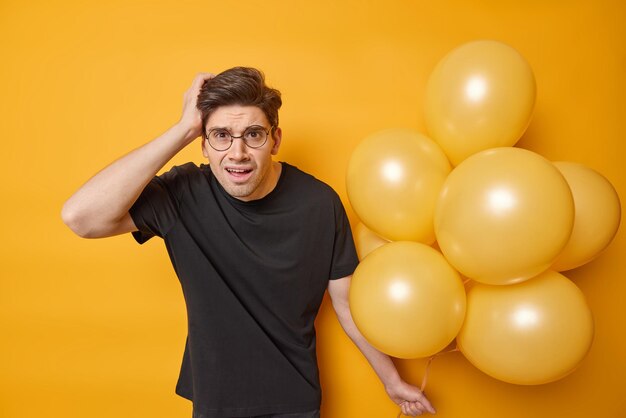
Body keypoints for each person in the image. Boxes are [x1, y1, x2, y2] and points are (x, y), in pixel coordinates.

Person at [61, 67, 436, 418]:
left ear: (275, 139)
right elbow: (81, 217)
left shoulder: (321, 203)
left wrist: (392, 381)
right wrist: (182, 129)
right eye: (221, 136)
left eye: (252, 135)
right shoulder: (182, 194)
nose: (236, 153)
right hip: (216, 402)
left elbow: (349, 306)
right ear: (203, 144)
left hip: (295, 402)